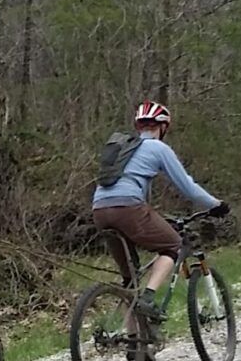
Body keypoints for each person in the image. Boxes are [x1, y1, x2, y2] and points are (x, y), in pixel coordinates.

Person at [92, 101, 228, 340]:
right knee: (173, 245)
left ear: (139, 126)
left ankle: (134, 341)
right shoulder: (157, 148)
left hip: (100, 209)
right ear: (163, 127)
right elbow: (189, 188)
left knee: (130, 277)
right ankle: (148, 297)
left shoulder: (127, 149)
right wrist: (216, 205)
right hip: (128, 207)